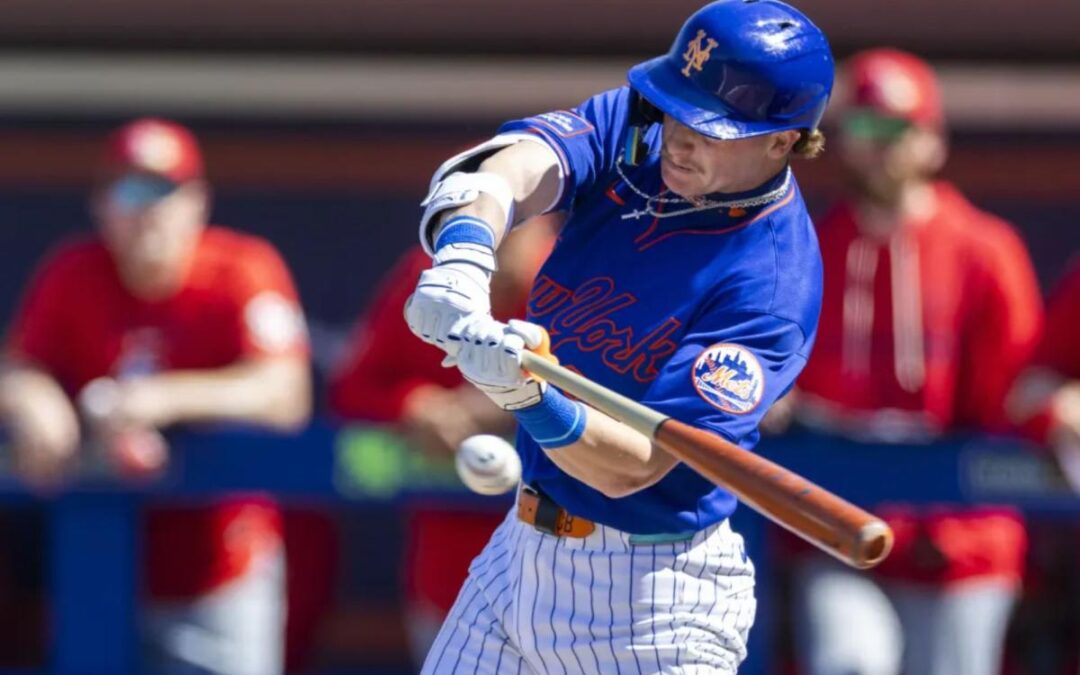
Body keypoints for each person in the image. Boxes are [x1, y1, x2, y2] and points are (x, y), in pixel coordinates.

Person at [401, 0, 834, 671]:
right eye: (676, 109)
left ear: (783, 140)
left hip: (650, 600)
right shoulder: (642, 131)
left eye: (710, 126)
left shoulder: (771, 282)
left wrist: (522, 393)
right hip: (519, 554)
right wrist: (465, 252)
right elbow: (511, 164)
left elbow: (633, 463)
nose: (680, 135)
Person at [0, 118, 311, 675]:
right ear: (100, 204)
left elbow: (286, 393)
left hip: (218, 574)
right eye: (129, 190)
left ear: (198, 201)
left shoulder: (242, 268)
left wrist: (161, 398)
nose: (147, 210)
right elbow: (18, 367)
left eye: (165, 190)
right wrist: (33, 398)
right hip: (97, 572)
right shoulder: (72, 273)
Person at [769, 49, 1043, 675]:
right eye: (865, 130)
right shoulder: (805, 246)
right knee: (851, 661)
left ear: (932, 141)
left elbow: (1014, 396)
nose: (881, 148)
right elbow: (771, 366)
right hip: (839, 524)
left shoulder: (986, 249)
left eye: (897, 131)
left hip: (961, 537)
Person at [328, 217, 554, 666]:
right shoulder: (430, 281)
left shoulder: (573, 275)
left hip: (570, 572)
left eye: (515, 222)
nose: (500, 239)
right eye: (489, 222)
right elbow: (353, 386)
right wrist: (415, 404)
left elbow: (613, 396)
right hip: (450, 566)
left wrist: (504, 400)